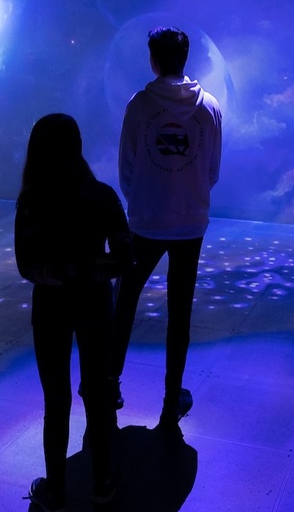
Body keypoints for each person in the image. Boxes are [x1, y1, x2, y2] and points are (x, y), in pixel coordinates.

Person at [15, 113, 130, 511]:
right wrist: (87, 270)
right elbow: (124, 258)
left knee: (56, 400)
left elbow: (26, 266)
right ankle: (102, 480)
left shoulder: (31, 201)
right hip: (96, 303)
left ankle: (56, 490)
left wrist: (64, 273)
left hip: (50, 308)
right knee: (97, 395)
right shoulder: (103, 197)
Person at [112, 26, 222, 434]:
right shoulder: (209, 106)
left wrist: (141, 200)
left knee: (123, 302)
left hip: (145, 220)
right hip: (191, 223)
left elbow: (127, 167)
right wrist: (187, 196)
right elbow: (212, 170)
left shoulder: (140, 106)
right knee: (180, 312)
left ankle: (110, 384)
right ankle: (171, 398)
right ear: (186, 57)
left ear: (153, 60)